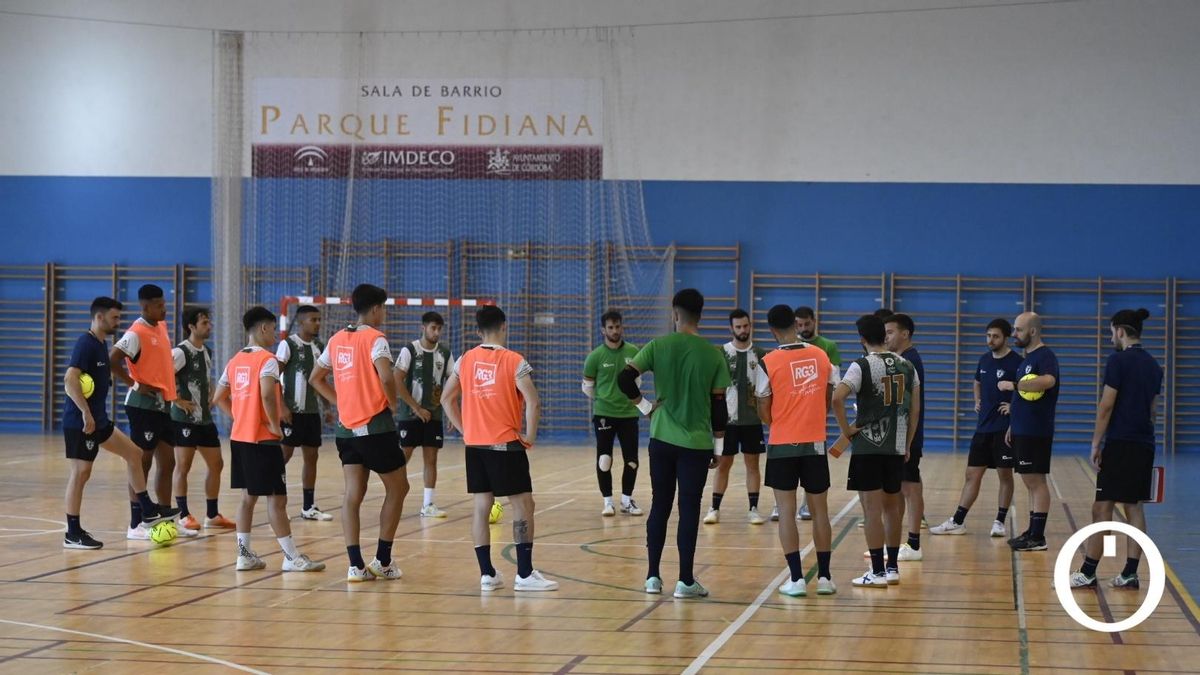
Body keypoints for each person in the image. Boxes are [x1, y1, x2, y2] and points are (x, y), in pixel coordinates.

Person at [618, 289, 731, 599]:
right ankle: (685, 581)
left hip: (662, 440)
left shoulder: (658, 346)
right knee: (689, 508)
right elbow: (719, 409)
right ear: (701, 315)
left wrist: (645, 407)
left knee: (660, 505)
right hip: (697, 444)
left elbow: (624, 379)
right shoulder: (714, 355)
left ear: (675, 313)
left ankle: (653, 577)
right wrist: (719, 449)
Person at [441, 305, 558, 592]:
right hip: (505, 444)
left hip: (475, 445)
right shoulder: (513, 361)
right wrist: (530, 435)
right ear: (504, 326)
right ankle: (524, 574)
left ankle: (487, 574)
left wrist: (466, 429)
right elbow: (533, 401)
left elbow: (446, 399)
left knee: (482, 506)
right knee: (523, 505)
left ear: (478, 331)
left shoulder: (465, 360)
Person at [309, 284, 411, 582]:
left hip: (345, 431)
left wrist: (340, 401)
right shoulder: (375, 339)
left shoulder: (336, 339)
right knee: (399, 488)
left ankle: (355, 565)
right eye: (384, 308)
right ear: (376, 308)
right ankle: (383, 560)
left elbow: (316, 378)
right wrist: (393, 403)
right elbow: (386, 376)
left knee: (353, 493)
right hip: (375, 428)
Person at [212, 306, 324, 573]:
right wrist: (274, 424)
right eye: (273, 329)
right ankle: (291, 557)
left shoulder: (235, 360)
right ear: (263, 328)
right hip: (263, 440)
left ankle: (244, 555)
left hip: (240, 438)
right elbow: (265, 394)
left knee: (247, 498)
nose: (275, 335)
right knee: (277, 500)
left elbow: (218, 398)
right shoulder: (267, 359)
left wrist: (240, 417)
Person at [62, 297, 179, 549]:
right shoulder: (85, 344)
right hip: (81, 422)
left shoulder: (100, 344)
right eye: (114, 318)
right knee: (81, 473)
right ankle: (72, 532)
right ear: (99, 317)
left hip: (100, 421)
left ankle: (147, 511)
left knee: (134, 454)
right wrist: (85, 412)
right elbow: (70, 380)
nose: (118, 322)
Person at [1070, 309, 1162, 589]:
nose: (1111, 337)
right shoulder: (1154, 365)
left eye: (1111, 332)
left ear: (1120, 331)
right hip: (1144, 443)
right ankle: (1130, 573)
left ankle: (1088, 572)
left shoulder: (1117, 361)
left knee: (1102, 507)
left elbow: (1106, 405)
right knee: (1134, 507)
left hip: (1120, 443)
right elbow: (1153, 410)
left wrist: (1096, 443)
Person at [754, 305, 838, 596]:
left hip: (781, 444)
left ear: (771, 330)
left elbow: (763, 405)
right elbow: (830, 394)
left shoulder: (767, 362)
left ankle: (796, 579)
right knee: (820, 512)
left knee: (787, 512)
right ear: (794, 324)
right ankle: (825, 578)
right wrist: (814, 415)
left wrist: (779, 422)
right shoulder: (821, 355)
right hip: (815, 442)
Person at [833, 314, 920, 587]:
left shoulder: (861, 366)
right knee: (892, 508)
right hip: (896, 446)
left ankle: (877, 572)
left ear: (862, 339)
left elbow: (837, 397)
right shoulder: (907, 365)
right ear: (884, 335)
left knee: (871, 510)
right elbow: (915, 409)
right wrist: (907, 443)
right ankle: (892, 568)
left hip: (868, 447)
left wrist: (846, 429)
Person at [931, 319, 1022, 537]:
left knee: (1005, 475)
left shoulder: (1017, 362)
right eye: (988, 335)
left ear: (1006, 338)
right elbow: (977, 382)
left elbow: (1026, 390)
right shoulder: (984, 360)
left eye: (995, 336)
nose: (990, 340)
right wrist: (977, 400)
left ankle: (999, 521)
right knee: (972, 474)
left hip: (1004, 429)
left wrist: (1014, 407)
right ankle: (958, 521)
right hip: (983, 428)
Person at [111, 284, 183, 540]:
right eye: (159, 305)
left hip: (163, 405)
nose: (164, 309)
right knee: (142, 462)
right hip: (143, 407)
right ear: (145, 307)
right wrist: (135, 384)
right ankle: (136, 522)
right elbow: (112, 359)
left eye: (164, 303)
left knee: (168, 461)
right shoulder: (135, 333)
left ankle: (163, 514)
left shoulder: (161, 326)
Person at [171, 307, 235, 531]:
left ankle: (212, 515)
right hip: (184, 419)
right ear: (191, 326)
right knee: (183, 466)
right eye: (204, 323)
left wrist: (211, 395)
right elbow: (163, 377)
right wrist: (177, 400)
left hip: (204, 419)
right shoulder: (181, 352)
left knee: (216, 464)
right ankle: (183, 515)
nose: (209, 326)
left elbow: (204, 379)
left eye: (209, 322)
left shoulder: (206, 351)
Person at [1003, 312, 1060, 552]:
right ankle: (1032, 531)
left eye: (1018, 329)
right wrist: (1012, 425)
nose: (1014, 334)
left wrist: (1015, 385)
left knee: (1035, 481)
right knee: (1030, 481)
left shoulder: (1045, 356)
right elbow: (1023, 398)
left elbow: (1048, 381)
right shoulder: (1027, 359)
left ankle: (1038, 536)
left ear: (1033, 331)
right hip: (1023, 428)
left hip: (1036, 430)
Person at [705, 309, 767, 525]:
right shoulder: (720, 353)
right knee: (722, 464)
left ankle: (753, 509)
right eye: (738, 326)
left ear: (750, 326)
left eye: (745, 326)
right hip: (726, 421)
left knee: (753, 465)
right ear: (731, 328)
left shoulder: (761, 354)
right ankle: (714, 508)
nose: (743, 330)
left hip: (752, 421)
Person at [582, 310, 643, 517]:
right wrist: (604, 399)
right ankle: (608, 502)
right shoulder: (595, 357)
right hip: (604, 414)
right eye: (610, 327)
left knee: (631, 460)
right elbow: (587, 387)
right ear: (603, 330)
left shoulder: (633, 352)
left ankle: (626, 500)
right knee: (604, 459)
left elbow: (637, 382)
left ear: (622, 327)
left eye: (617, 326)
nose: (615, 331)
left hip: (628, 414)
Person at [394, 311, 454, 518]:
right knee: (403, 457)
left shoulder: (445, 353)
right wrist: (416, 407)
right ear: (423, 328)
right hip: (410, 415)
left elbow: (452, 383)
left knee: (431, 459)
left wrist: (451, 412)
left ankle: (428, 504)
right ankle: (393, 495)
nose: (436, 332)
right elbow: (396, 379)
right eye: (433, 328)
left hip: (434, 415)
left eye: (439, 329)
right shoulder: (410, 350)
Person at [277, 304, 333, 521]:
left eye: (319, 319)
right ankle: (275, 503)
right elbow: (273, 377)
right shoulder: (288, 344)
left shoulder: (320, 346)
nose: (318, 323)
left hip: (311, 413)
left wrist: (327, 407)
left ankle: (308, 507)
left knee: (312, 457)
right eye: (313, 320)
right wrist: (281, 406)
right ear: (301, 322)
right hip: (291, 412)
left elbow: (321, 380)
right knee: (284, 456)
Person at [787, 306, 842, 522]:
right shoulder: (789, 346)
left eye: (807, 324)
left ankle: (807, 503)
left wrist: (824, 408)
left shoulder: (828, 346)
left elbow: (834, 381)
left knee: (811, 459)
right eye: (799, 325)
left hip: (815, 412)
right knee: (788, 457)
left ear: (814, 321)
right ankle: (782, 503)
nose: (803, 328)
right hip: (791, 411)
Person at [883, 313, 926, 561]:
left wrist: (908, 441)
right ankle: (896, 543)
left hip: (908, 436)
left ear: (905, 334)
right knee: (899, 489)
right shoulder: (900, 360)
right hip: (899, 436)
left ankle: (914, 544)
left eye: (890, 332)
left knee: (910, 487)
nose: (886, 337)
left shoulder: (910, 361)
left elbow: (911, 406)